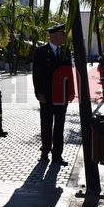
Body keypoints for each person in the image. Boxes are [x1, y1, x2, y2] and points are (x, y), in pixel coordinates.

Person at [32, 24, 73, 166]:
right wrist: (38, 93)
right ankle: (45, 152)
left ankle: (57, 155)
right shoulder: (41, 52)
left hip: (61, 96)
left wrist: (70, 92)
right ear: (55, 35)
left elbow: (69, 74)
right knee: (46, 124)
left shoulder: (66, 52)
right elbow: (36, 74)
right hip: (47, 96)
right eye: (63, 33)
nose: (64, 36)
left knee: (59, 126)